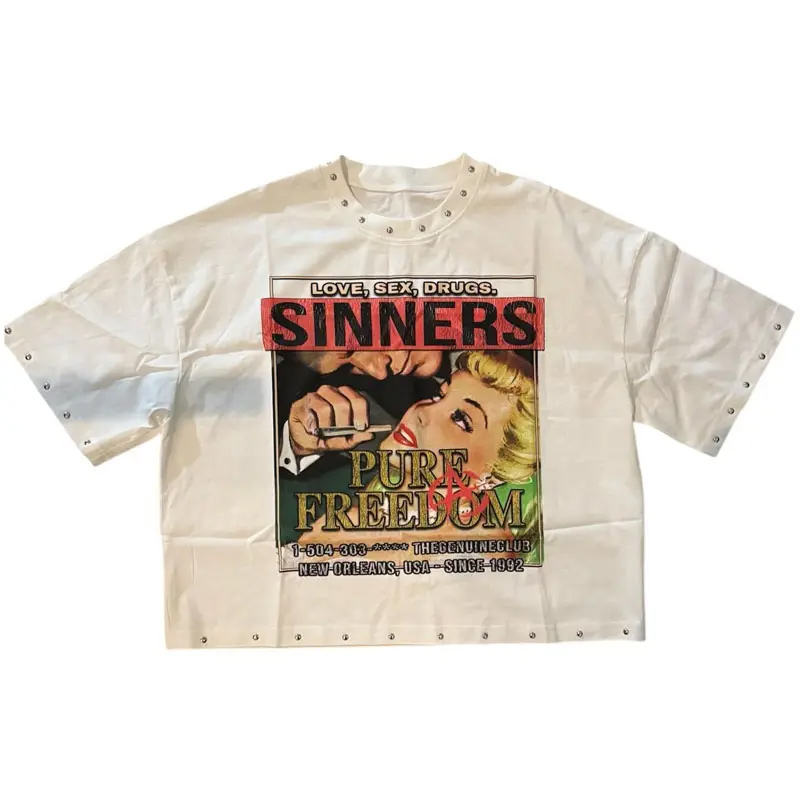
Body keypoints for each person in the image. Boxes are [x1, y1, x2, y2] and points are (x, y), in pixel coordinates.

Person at [292, 350, 541, 562]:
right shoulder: (358, 516)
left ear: (493, 476)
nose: (421, 412)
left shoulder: (482, 542)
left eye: (461, 420)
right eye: (439, 396)